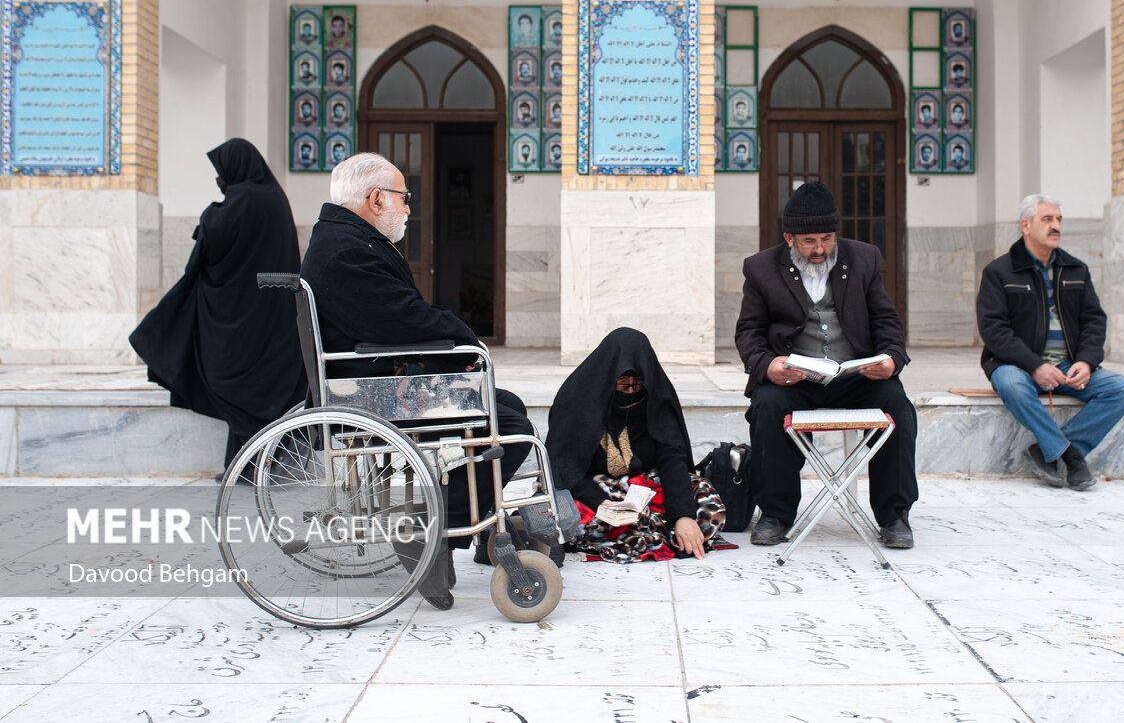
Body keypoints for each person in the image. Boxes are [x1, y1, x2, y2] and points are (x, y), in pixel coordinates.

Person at [299, 153, 534, 605]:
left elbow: (394, 317)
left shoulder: (344, 240)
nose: (409, 208)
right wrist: (463, 339)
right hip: (370, 394)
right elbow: (401, 319)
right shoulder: (347, 251)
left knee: (509, 406)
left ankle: (446, 519)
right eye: (404, 198)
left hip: (373, 382)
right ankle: (433, 530)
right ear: (375, 199)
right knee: (514, 429)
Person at [736, 181, 918, 549]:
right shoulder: (760, 268)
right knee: (767, 406)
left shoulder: (864, 258)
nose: (820, 249)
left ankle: (894, 515)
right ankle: (775, 513)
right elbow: (748, 333)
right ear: (789, 238)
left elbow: (887, 321)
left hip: (854, 375)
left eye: (827, 239)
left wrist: (891, 360)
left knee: (897, 403)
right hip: (796, 379)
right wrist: (769, 366)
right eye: (809, 241)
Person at [130, 139, 306, 479]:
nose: (218, 180)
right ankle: (248, 464)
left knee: (234, 379)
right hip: (270, 313)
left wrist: (210, 213)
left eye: (221, 172)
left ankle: (250, 464)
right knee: (254, 385)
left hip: (245, 316)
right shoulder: (272, 196)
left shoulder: (245, 199)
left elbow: (215, 235)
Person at [977, 194, 1124, 490]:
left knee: (1123, 389)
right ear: (1026, 225)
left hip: (1067, 365)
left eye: (1059, 220)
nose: (1056, 226)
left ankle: (1050, 449)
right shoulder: (999, 272)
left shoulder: (1075, 269)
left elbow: (1094, 320)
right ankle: (1070, 457)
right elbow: (993, 329)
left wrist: (1086, 361)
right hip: (1017, 365)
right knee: (1012, 384)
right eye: (1047, 219)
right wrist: (1035, 365)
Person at [547, 328, 728, 563]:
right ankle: (648, 530)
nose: (631, 391)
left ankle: (651, 529)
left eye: (637, 384)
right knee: (567, 515)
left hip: (644, 486)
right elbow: (562, 467)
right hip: (593, 487)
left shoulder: (655, 397)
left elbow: (672, 457)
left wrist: (683, 515)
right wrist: (600, 503)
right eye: (622, 384)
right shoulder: (578, 401)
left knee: (704, 497)